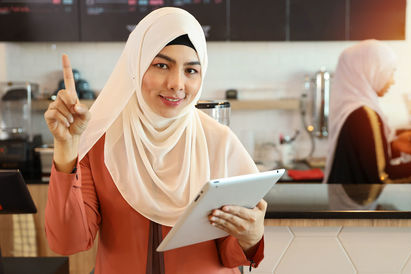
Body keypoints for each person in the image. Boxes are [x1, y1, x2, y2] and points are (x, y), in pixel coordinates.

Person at [44, 8, 265, 274]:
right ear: (136, 67)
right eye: (161, 65)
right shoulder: (102, 143)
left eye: (191, 70)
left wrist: (250, 238)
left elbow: (231, 255)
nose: (176, 83)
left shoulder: (219, 142)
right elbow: (69, 242)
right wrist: (67, 152)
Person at [323, 40, 411, 184]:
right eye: (390, 73)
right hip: (357, 204)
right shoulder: (364, 115)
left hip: (345, 201)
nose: (392, 81)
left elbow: (362, 160)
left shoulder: (352, 109)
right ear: (372, 71)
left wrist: (394, 147)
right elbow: (382, 177)